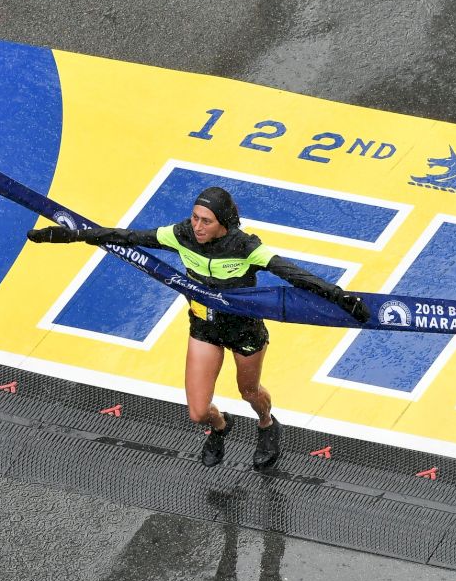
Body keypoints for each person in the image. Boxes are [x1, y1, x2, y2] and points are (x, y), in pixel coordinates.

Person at [27, 186, 370, 470]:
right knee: (197, 412)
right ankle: (221, 428)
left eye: (206, 221)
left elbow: (295, 275)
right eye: (195, 217)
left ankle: (267, 423)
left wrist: (342, 298)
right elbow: (124, 236)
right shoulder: (181, 235)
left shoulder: (246, 247)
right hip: (203, 327)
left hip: (244, 330)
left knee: (250, 393)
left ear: (223, 224)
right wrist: (67, 236)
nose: (197, 226)